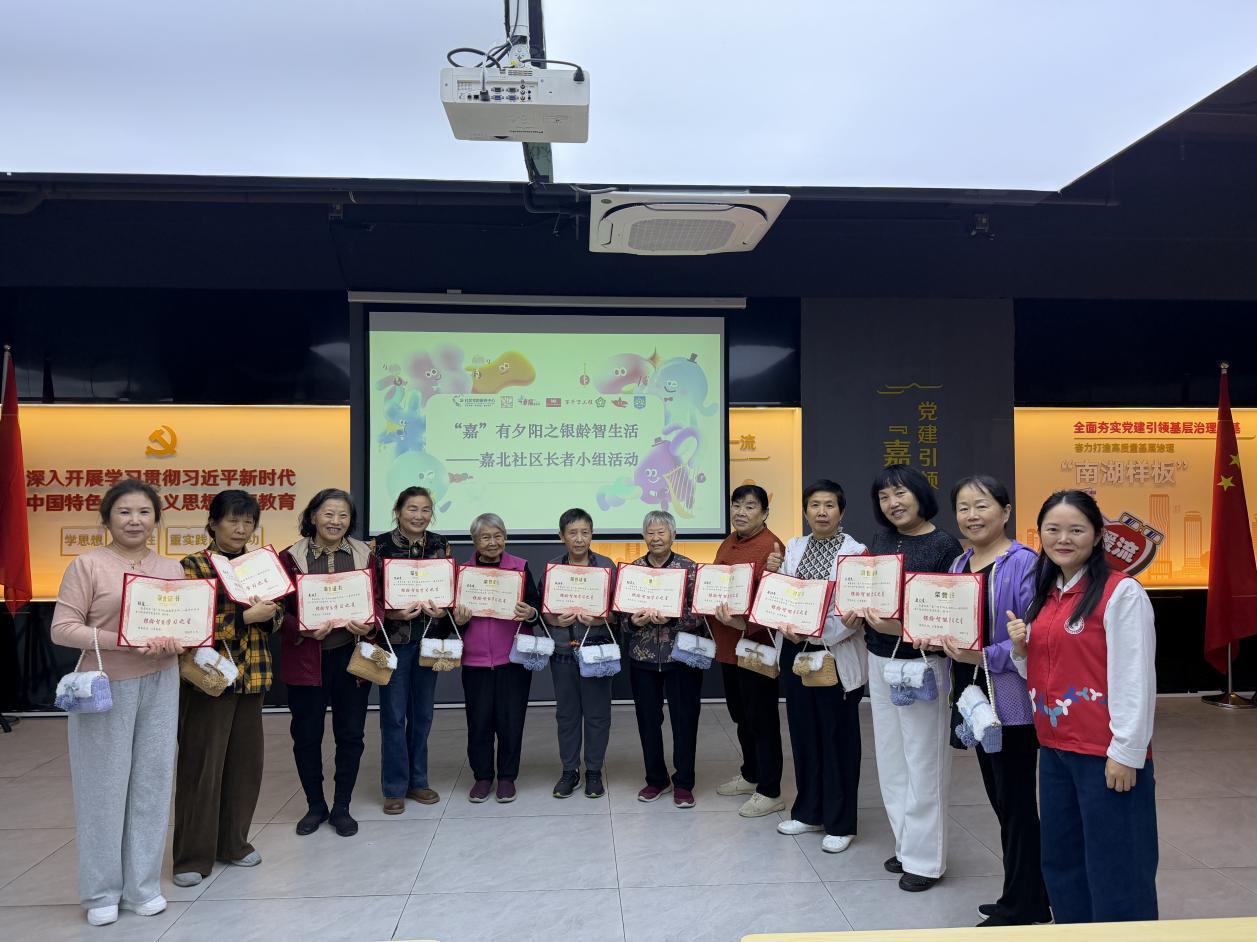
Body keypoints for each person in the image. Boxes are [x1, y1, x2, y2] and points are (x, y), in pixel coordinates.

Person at [1009, 489, 1158, 924]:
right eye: (1053, 529)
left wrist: (1126, 752)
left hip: (1104, 755)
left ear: (1097, 536)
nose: (1063, 539)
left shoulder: (1120, 592)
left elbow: (1135, 678)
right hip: (1055, 749)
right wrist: (1021, 649)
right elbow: (1044, 671)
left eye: (1076, 530)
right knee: (1063, 862)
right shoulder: (1045, 594)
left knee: (1118, 867)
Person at [51, 478, 186, 927]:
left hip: (162, 682)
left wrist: (178, 641)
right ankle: (101, 892)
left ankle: (142, 887)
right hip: (106, 687)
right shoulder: (87, 565)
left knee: (152, 784)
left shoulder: (171, 569)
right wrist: (123, 640)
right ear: (107, 518)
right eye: (124, 512)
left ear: (156, 520)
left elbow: (184, 624)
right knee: (103, 789)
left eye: (144, 512)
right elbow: (62, 628)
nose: (134, 520)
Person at [936, 476, 1051, 927]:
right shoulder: (960, 562)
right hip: (973, 692)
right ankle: (1029, 894)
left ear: (1005, 512)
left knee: (1015, 800)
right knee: (1001, 798)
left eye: (981, 505)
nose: (972, 515)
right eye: (963, 507)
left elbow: (1033, 634)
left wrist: (983, 654)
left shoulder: (1024, 563)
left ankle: (1022, 905)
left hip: (1011, 698)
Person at [173, 490, 281, 888]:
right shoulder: (193, 566)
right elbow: (190, 622)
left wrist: (268, 615)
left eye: (248, 522)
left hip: (253, 676)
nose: (241, 529)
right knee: (202, 767)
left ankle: (233, 843)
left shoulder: (260, 566)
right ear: (213, 523)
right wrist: (245, 617)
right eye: (233, 520)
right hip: (208, 681)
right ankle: (191, 856)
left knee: (245, 766)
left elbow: (277, 615)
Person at [863, 464, 963, 891]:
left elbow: (949, 614)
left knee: (924, 761)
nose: (893, 503)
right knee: (891, 759)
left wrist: (900, 626)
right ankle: (906, 845)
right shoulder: (882, 540)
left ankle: (926, 860)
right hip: (879, 657)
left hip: (922, 664)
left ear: (921, 494)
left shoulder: (944, 545)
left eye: (900, 493)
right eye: (884, 497)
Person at [761, 480, 868, 852]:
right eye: (815, 505)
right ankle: (809, 811)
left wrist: (816, 630)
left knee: (838, 739)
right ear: (805, 510)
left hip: (834, 654)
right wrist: (785, 624)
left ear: (841, 511)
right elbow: (782, 595)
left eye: (829, 505)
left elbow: (853, 611)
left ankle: (841, 822)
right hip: (795, 651)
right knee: (804, 734)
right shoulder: (793, 547)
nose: (821, 512)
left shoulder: (856, 552)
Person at [279, 488, 381, 838]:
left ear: (351, 521)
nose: (335, 521)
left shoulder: (366, 555)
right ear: (312, 516)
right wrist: (301, 629)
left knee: (350, 734)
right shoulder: (290, 558)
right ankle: (315, 805)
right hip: (306, 660)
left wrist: (371, 622)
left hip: (351, 658)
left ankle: (341, 806)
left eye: (343, 515)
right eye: (328, 514)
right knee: (306, 735)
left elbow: (378, 599)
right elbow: (277, 610)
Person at [706, 484, 786, 817]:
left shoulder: (772, 547)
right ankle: (751, 774)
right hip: (728, 647)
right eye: (736, 505)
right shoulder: (729, 541)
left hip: (756, 647)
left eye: (750, 506)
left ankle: (770, 790)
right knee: (741, 715)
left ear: (765, 513)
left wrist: (744, 624)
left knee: (762, 718)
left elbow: (776, 601)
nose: (741, 512)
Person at [453, 512, 543, 803]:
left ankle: (506, 777)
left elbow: (537, 607)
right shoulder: (463, 572)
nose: (492, 542)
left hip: (513, 659)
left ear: (505, 537)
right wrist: (459, 619)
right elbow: (452, 621)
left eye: (498, 536)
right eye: (485, 537)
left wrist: (531, 612)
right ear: (474, 541)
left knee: (511, 721)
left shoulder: (520, 567)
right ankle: (482, 777)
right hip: (475, 660)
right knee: (478, 722)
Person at [372, 486, 451, 814]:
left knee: (423, 714)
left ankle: (418, 781)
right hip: (392, 643)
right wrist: (390, 614)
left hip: (430, 641)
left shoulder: (440, 544)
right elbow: (370, 594)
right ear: (398, 510)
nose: (419, 516)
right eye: (412, 509)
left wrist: (444, 609)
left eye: (425, 510)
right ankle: (394, 787)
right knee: (393, 715)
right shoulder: (379, 546)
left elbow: (450, 591)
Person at [620, 510, 704, 808]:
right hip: (642, 657)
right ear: (644, 536)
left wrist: (673, 618)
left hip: (681, 658)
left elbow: (700, 613)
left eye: (661, 532)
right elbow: (621, 618)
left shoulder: (689, 568)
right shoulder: (633, 571)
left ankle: (684, 783)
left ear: (673, 535)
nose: (656, 538)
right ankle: (656, 779)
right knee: (648, 721)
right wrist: (633, 621)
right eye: (650, 533)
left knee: (685, 721)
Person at [544, 508, 617, 800]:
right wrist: (554, 619)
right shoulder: (553, 568)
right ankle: (569, 771)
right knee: (567, 715)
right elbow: (543, 610)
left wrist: (602, 618)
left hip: (597, 652)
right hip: (563, 651)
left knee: (598, 715)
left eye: (584, 532)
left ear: (592, 534)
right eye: (572, 533)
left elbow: (619, 612)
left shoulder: (606, 567)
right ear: (561, 536)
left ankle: (594, 772)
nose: (579, 539)